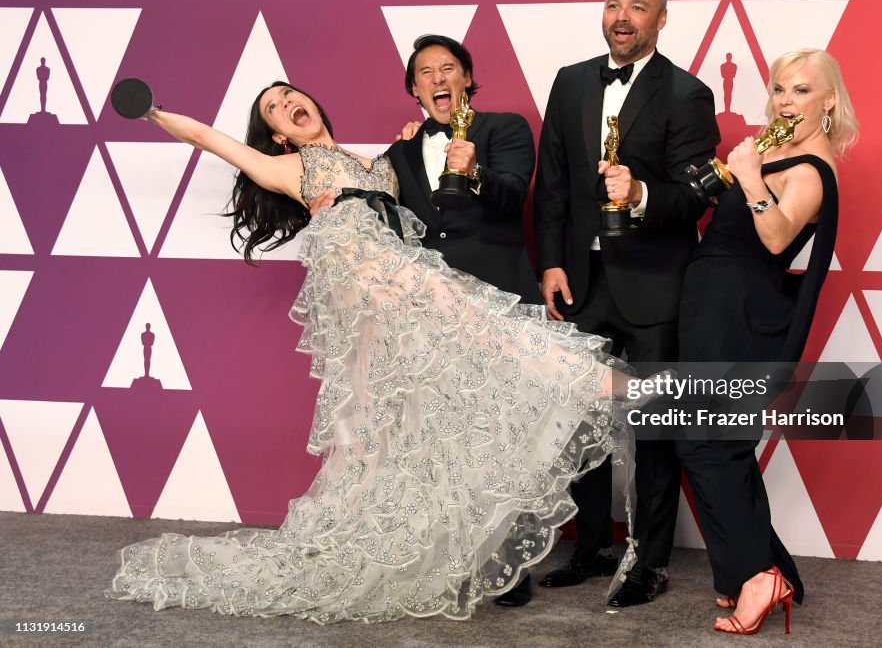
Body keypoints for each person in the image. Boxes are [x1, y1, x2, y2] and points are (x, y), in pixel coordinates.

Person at [107, 81, 637, 623]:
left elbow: (422, 188)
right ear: (278, 136)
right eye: (273, 108)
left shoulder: (377, 160)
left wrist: (409, 139)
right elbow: (207, 138)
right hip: (369, 287)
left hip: (405, 279)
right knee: (475, 331)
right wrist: (152, 112)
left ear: (312, 103)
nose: (287, 104)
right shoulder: (292, 169)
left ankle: (464, 532)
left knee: (426, 413)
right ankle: (591, 379)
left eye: (290, 94)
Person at [533, 0, 719, 600]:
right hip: (581, 281)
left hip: (653, 287)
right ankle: (589, 546)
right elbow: (551, 182)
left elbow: (694, 196)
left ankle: (651, 561)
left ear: (661, 19)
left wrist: (640, 193)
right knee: (582, 423)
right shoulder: (570, 82)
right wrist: (552, 262)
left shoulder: (687, 93)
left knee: (654, 426)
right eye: (614, 3)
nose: (622, 17)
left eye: (638, 7)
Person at [667, 48, 858, 634]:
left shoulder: (813, 169)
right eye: (779, 88)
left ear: (829, 101)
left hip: (739, 314)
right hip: (714, 306)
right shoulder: (780, 151)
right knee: (719, 443)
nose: (786, 100)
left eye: (801, 90)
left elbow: (775, 239)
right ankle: (756, 571)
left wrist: (748, 174)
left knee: (706, 443)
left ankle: (757, 575)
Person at [382, 34, 541, 305]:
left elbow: (514, 195)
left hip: (502, 296)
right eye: (426, 72)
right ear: (415, 89)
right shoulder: (399, 152)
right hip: (433, 305)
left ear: (466, 78)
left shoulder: (505, 127)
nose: (438, 79)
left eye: (447, 68)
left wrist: (474, 172)